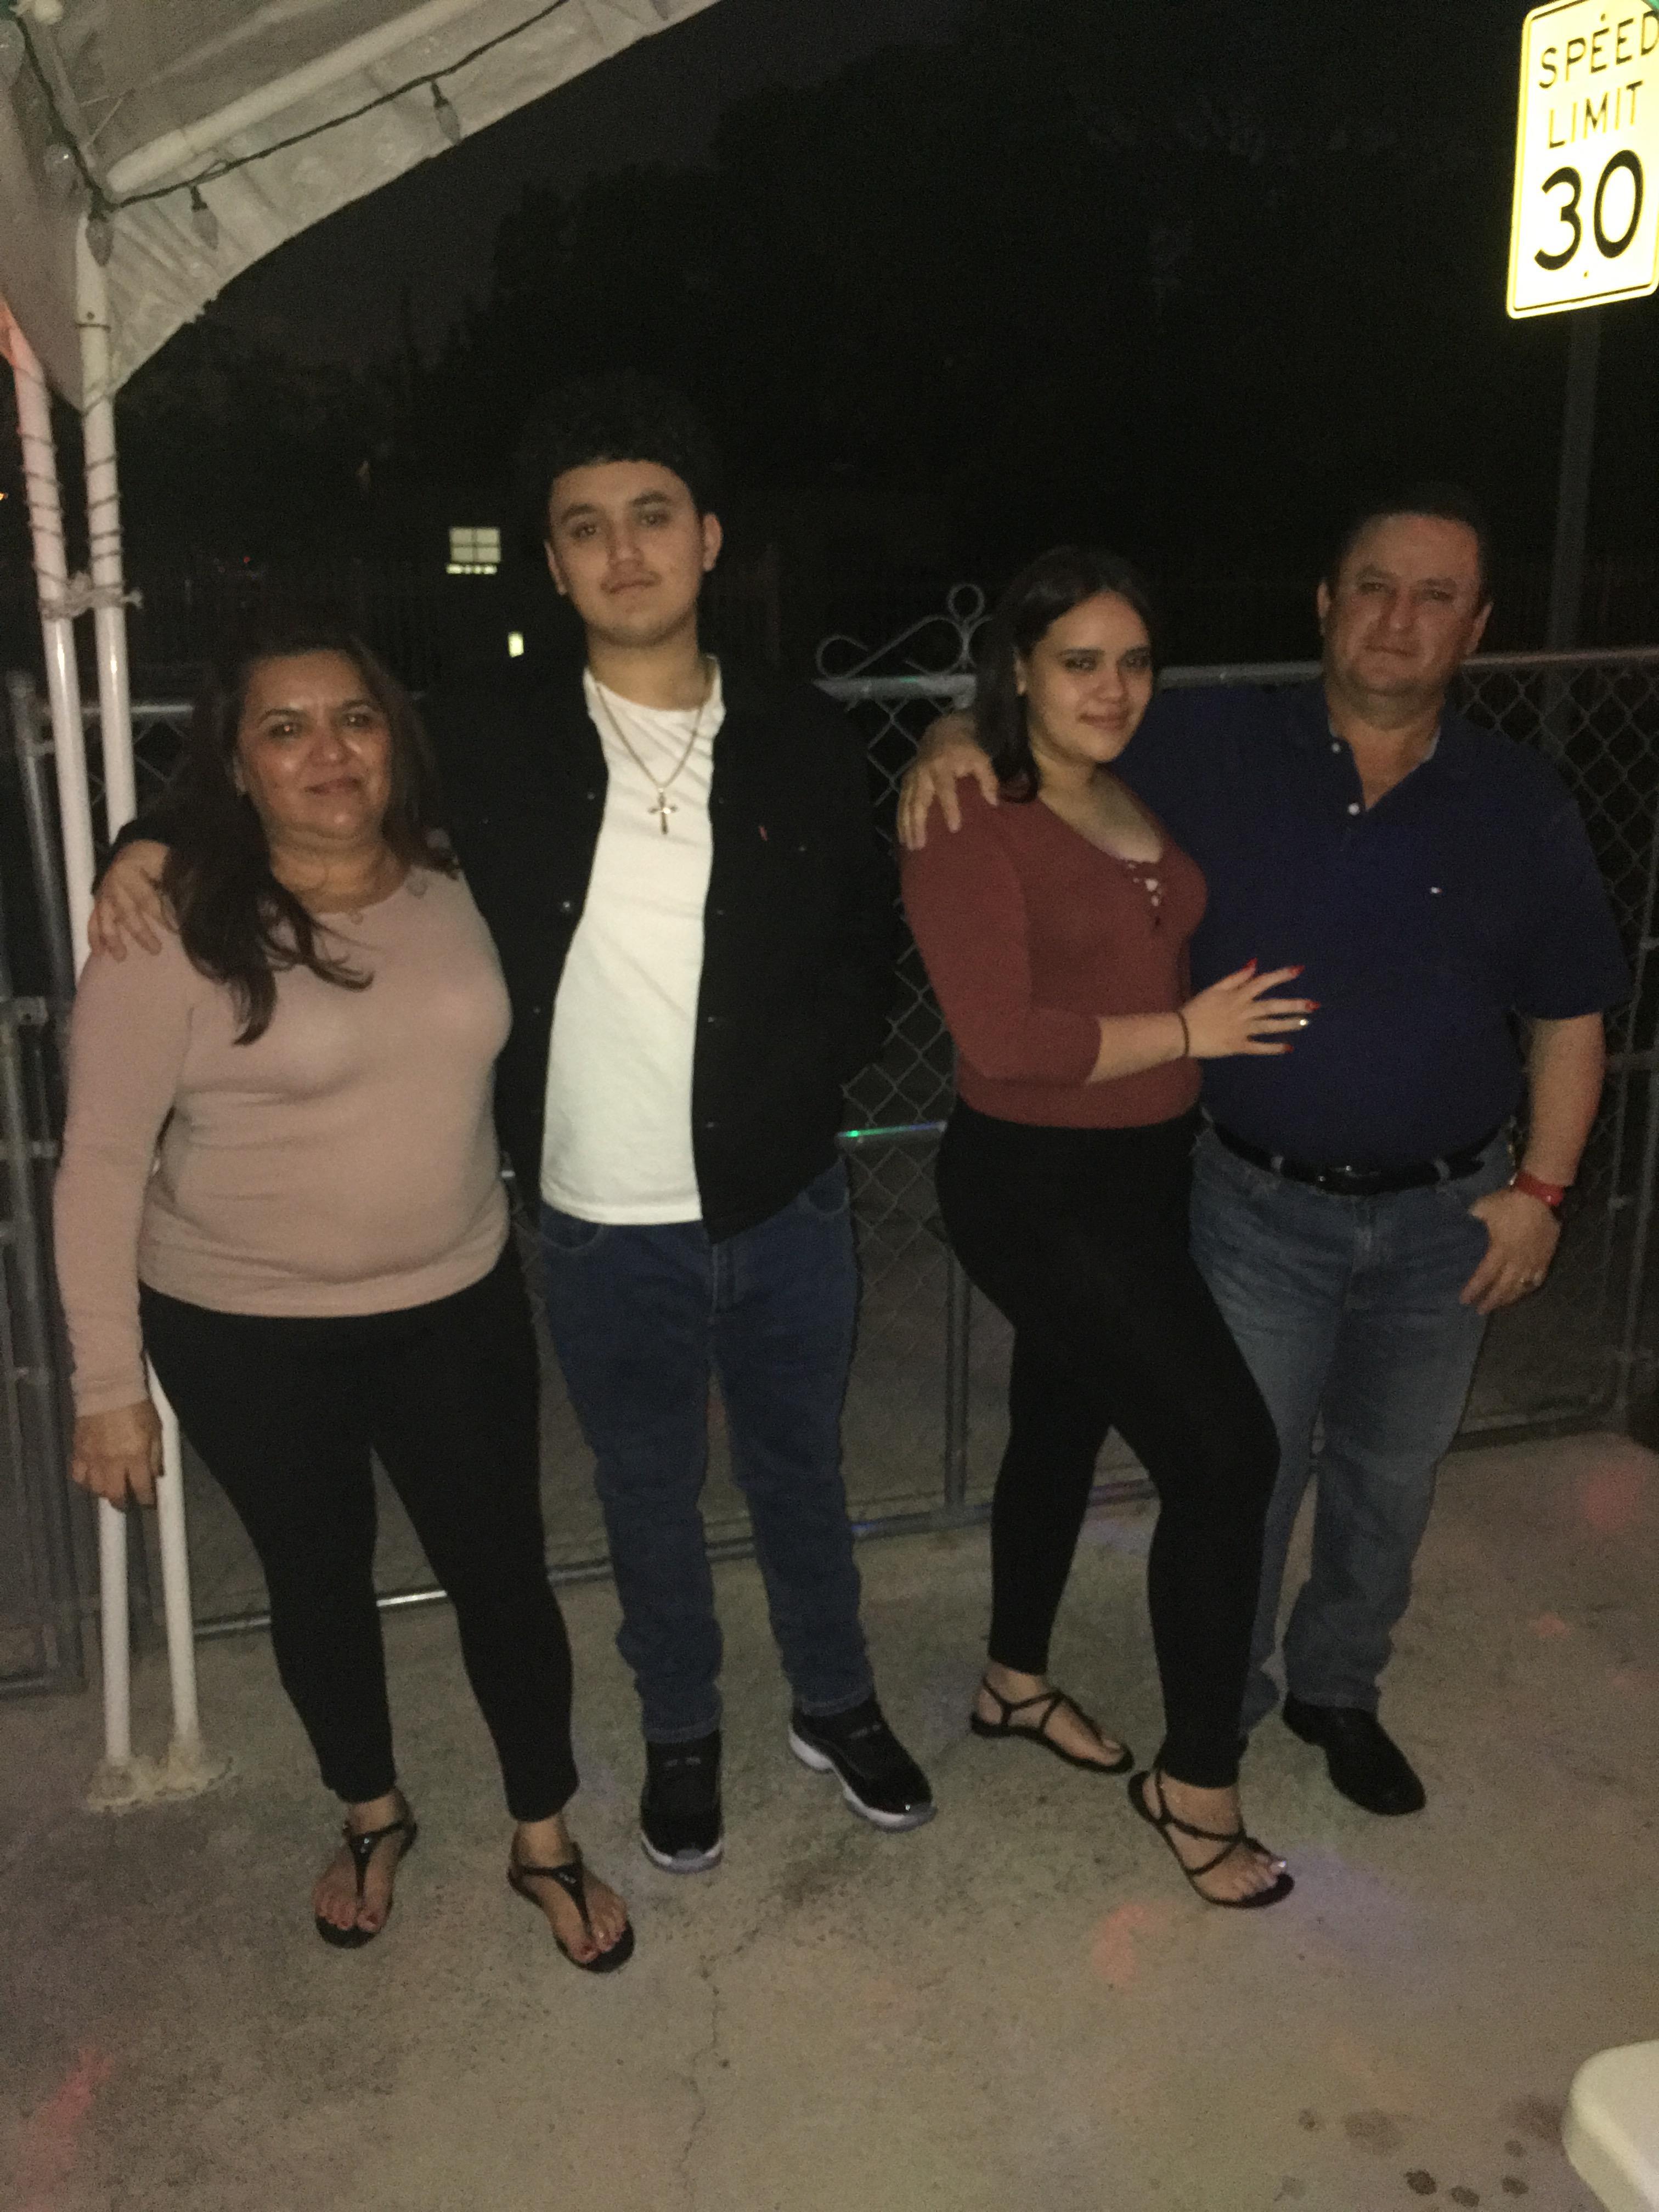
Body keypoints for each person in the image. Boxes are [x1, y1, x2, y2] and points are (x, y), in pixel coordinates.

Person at [94, 375, 934, 1876]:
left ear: (709, 540)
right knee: (643, 1491)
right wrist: (143, 839)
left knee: (803, 1470)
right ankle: (680, 1729)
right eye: (585, 528)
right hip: (602, 1218)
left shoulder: (805, 736)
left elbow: (868, 946)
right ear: (551, 565)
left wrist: (811, 1067)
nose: (624, 553)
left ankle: (837, 1700)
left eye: (652, 518)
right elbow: (299, 790)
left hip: (785, 1198)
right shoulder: (486, 745)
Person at [899, 487, 1626, 1817]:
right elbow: (1043, 721)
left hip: (1445, 1210)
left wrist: (1543, 1190)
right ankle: (1208, 1726)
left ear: (1479, 624)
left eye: (1436, 595)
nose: (1399, 619)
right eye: (1373, 586)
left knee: (1384, 1481)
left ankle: (1333, 1690)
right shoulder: (1214, 738)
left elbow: (1571, 1008)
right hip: (1246, 1199)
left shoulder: (1520, 801)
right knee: (1242, 1460)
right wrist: (948, 730)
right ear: (1326, 604)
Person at [58, 629, 633, 1971]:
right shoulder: (169, 924)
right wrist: (105, 1389)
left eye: (357, 720)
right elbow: (96, 1160)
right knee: (319, 1578)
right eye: (285, 728)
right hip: (244, 1328)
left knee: (502, 1572)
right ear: (237, 766)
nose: (329, 752)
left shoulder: (458, 870)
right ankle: (371, 1810)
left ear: (397, 740)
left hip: (456, 1298)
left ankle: (543, 1831)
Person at [902, 548, 1305, 1908]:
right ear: (1019, 668)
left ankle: (1015, 1684)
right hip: (1035, 1183)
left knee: (1062, 1422)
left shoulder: (1127, 781)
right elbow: (1001, 1039)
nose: (1115, 686)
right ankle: (1196, 1786)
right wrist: (1189, 1032)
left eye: (1135, 660)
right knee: (1225, 1454)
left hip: (1146, 1170)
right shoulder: (970, 818)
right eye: (1080, 660)